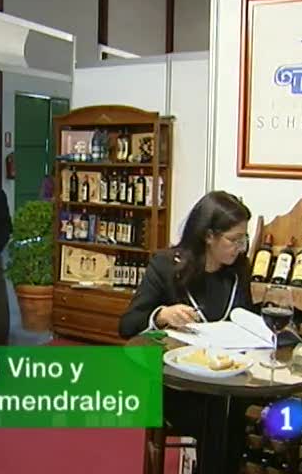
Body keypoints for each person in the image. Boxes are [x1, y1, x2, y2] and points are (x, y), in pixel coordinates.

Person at [119, 190, 252, 474]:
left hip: (227, 378)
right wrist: (162, 315)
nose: (240, 248)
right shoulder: (166, 266)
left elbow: (245, 318)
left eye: (244, 239)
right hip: (178, 385)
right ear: (209, 236)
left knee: (238, 407)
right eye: (234, 239)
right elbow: (127, 324)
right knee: (219, 411)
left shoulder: (238, 270)